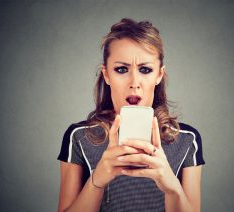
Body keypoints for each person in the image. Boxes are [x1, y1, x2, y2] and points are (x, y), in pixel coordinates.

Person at [57, 18, 205, 212]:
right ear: (107, 75)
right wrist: (97, 180)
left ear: (159, 75)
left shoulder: (186, 139)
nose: (134, 82)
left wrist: (172, 189)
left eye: (145, 70)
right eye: (121, 69)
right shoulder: (79, 137)